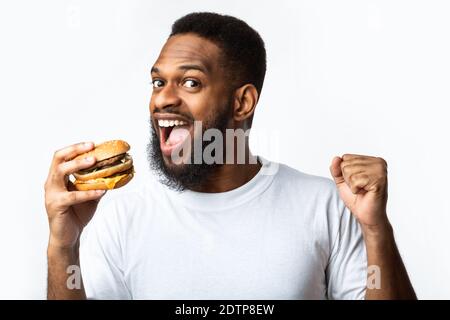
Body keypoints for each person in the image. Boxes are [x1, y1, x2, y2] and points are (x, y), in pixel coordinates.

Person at [45, 12, 416, 299]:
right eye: (158, 81)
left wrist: (375, 229)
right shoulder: (122, 217)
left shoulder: (325, 205)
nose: (162, 99)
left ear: (242, 102)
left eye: (190, 82)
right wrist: (63, 246)